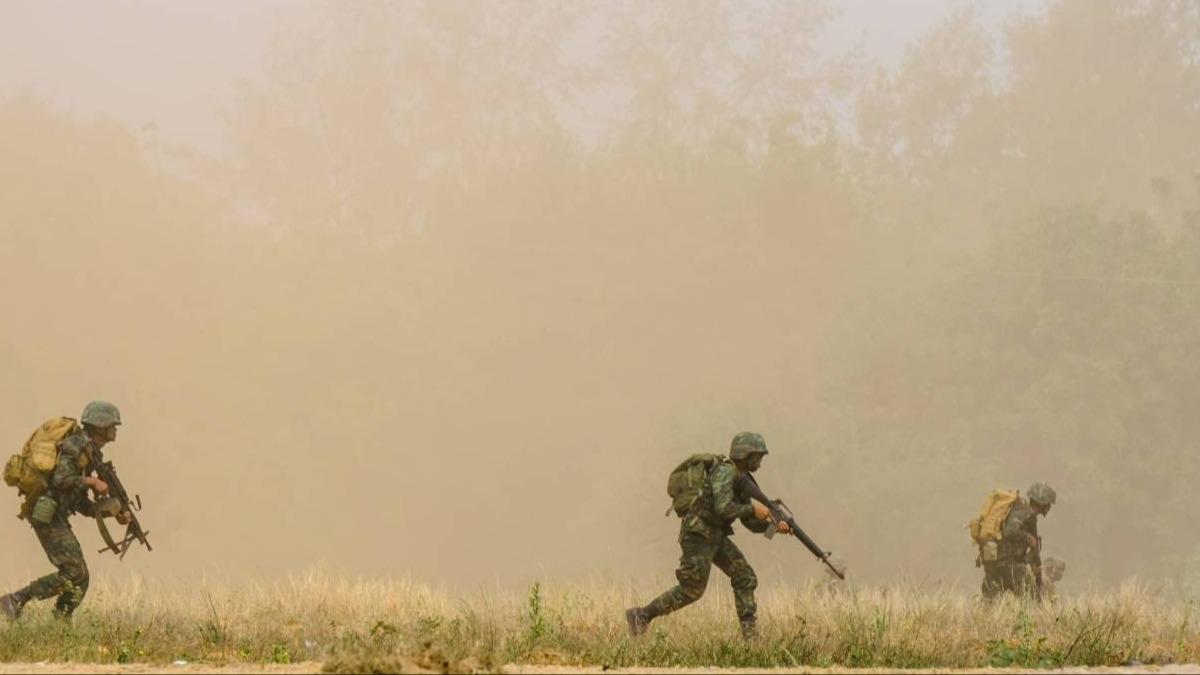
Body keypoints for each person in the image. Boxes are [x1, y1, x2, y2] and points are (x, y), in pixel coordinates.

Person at [626, 432, 788, 640]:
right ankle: (641, 615)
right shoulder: (725, 472)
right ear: (746, 454)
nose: (760, 462)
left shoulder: (743, 478)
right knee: (692, 589)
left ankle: (751, 638)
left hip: (714, 536)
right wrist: (752, 510)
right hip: (698, 535)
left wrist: (772, 525)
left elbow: (749, 523)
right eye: (758, 456)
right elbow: (724, 509)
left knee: (744, 576)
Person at [1, 401, 131, 620]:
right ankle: (15, 599)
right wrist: (91, 481)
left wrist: (113, 511)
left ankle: (61, 620)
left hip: (57, 516)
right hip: (47, 514)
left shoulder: (90, 452)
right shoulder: (75, 444)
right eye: (112, 425)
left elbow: (82, 503)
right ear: (100, 425)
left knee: (80, 576)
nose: (115, 429)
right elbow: (61, 480)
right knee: (74, 572)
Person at [981, 481, 1056, 600]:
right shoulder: (1024, 511)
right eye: (1048, 504)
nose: (1049, 508)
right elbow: (1009, 531)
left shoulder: (1027, 516)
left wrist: (1038, 579)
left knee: (990, 603)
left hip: (995, 565)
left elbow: (1035, 553)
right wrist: (1027, 537)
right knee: (1030, 599)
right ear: (1043, 503)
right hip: (1009, 564)